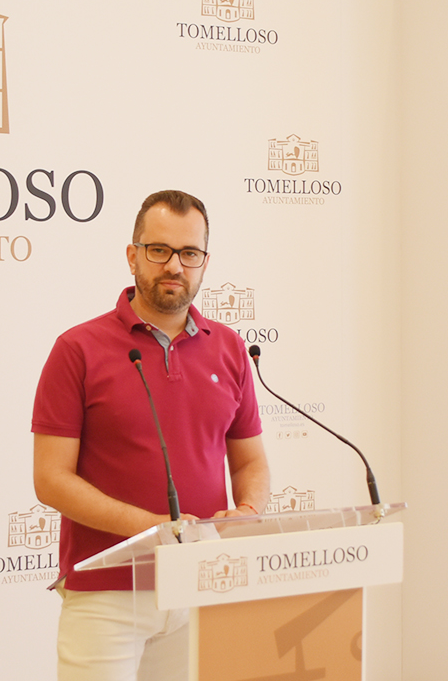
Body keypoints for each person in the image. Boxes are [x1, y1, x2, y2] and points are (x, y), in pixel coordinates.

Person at [31, 189, 271, 680]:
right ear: (133, 255)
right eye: (159, 250)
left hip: (203, 582)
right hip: (107, 594)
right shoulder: (77, 349)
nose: (174, 266)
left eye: (190, 254)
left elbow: (250, 463)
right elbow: (51, 479)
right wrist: (152, 529)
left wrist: (248, 513)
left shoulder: (229, 349)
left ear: (205, 261)